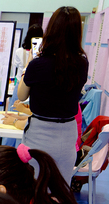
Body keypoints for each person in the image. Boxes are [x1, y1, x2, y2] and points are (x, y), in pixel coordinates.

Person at [17, 7, 88, 181]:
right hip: (68, 132)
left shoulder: (38, 64)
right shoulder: (81, 63)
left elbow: (21, 95)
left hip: (40, 132)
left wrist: (30, 65)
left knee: (35, 184)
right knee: (61, 186)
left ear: (51, 30)